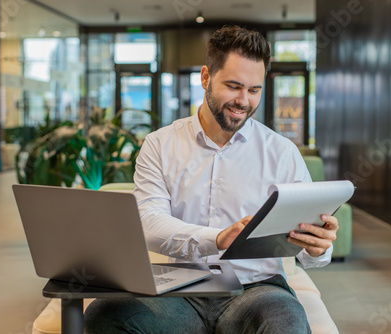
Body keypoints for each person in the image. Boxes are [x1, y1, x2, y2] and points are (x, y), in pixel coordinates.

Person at [84, 25, 338, 334]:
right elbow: (148, 222)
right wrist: (217, 238)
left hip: (255, 290)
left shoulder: (282, 153)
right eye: (233, 86)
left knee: (287, 323)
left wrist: (317, 247)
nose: (243, 101)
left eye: (254, 90)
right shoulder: (159, 144)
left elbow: (308, 248)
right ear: (205, 77)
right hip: (180, 290)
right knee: (104, 315)